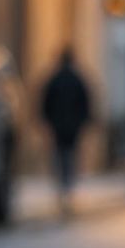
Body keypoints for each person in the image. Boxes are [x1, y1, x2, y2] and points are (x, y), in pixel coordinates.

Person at [39, 46, 93, 214]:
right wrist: (84, 120)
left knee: (60, 153)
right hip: (72, 125)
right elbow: (85, 103)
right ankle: (67, 184)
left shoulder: (54, 79)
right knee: (69, 154)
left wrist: (46, 119)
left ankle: (63, 184)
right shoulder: (77, 79)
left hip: (58, 124)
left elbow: (45, 102)